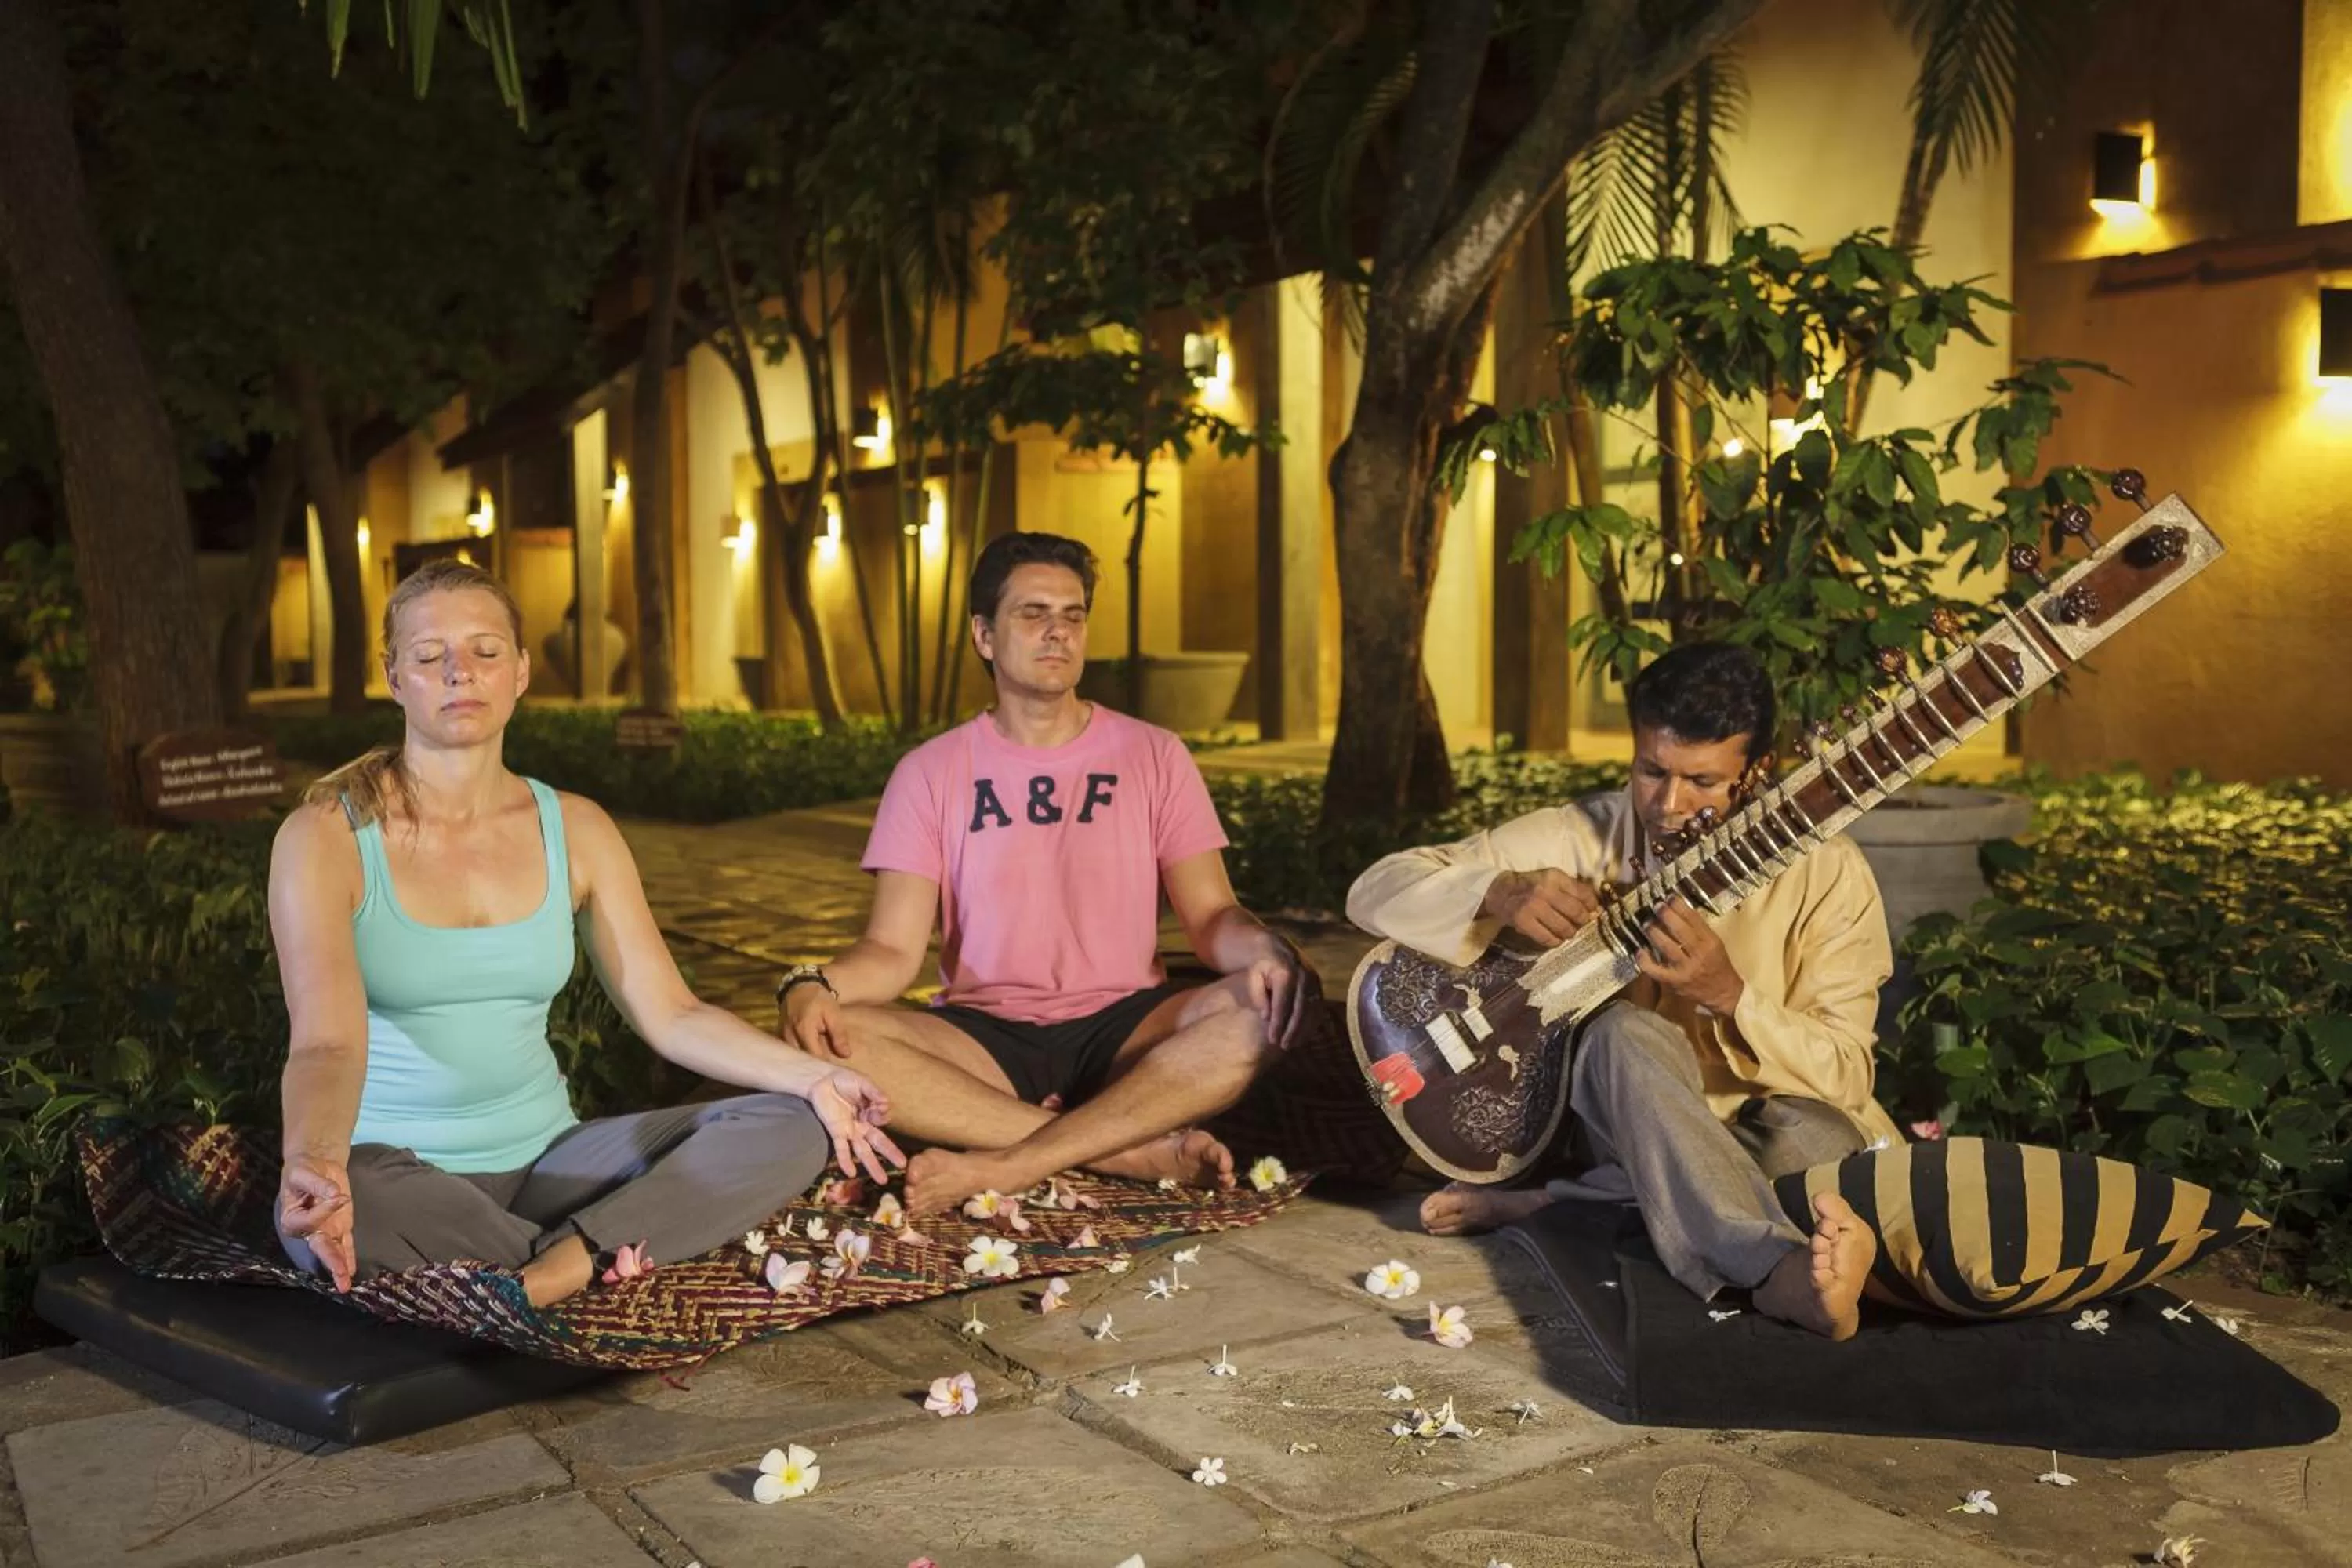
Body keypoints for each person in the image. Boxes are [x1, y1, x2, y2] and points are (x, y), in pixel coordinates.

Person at [271, 559, 902, 1307]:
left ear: (522, 672)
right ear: (394, 676)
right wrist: (314, 1160)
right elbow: (325, 1045)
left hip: (551, 1167)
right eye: (429, 655)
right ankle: (595, 1259)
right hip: (397, 1177)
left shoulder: (577, 827)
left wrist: (816, 1081)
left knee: (793, 1126)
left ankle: (537, 1278)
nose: (458, 672)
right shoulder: (328, 836)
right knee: (337, 1214)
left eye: (485, 650)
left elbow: (672, 1013)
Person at [1346, 642, 1900, 1340]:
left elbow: (1848, 1075)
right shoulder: (1589, 835)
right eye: (1651, 771)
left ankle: (1569, 1204)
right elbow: (1374, 889)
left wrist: (1732, 996)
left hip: (1768, 1132)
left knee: (1818, 1144)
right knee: (1622, 1034)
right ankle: (1776, 1271)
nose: (1668, 805)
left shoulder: (1829, 872)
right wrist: (1500, 889)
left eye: (1702, 781)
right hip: (1630, 1126)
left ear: (1756, 772)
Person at [778, 531, 1318, 1217]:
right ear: (984, 635)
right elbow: (890, 950)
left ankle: (1008, 1158)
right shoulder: (930, 772)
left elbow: (1212, 918)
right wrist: (810, 985)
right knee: (826, 1037)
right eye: (1033, 614)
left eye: (1072, 615)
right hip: (984, 1037)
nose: (1057, 632)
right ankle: (1125, 1151)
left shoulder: (1154, 754)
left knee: (1260, 1012)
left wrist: (1266, 950)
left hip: (1125, 1028)